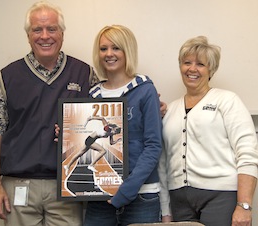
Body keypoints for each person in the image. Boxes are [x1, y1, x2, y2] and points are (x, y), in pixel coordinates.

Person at [0, 1, 99, 226]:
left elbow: (108, 113)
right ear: (28, 36)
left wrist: (149, 107)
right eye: (37, 30)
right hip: (19, 185)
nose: (45, 36)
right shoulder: (7, 77)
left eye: (51, 29)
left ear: (62, 33)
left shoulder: (84, 74)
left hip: (67, 186)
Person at [159, 36, 258, 226]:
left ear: (211, 69)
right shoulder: (170, 110)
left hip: (221, 198)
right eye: (187, 62)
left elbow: (247, 153)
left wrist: (244, 205)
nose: (192, 69)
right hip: (179, 201)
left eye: (201, 64)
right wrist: (165, 209)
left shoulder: (227, 101)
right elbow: (163, 163)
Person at [82, 25, 163, 226]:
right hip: (100, 198)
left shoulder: (145, 91)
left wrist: (126, 190)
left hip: (141, 197)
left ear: (128, 51)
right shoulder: (92, 96)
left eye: (116, 48)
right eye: (103, 49)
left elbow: (153, 146)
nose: (109, 54)